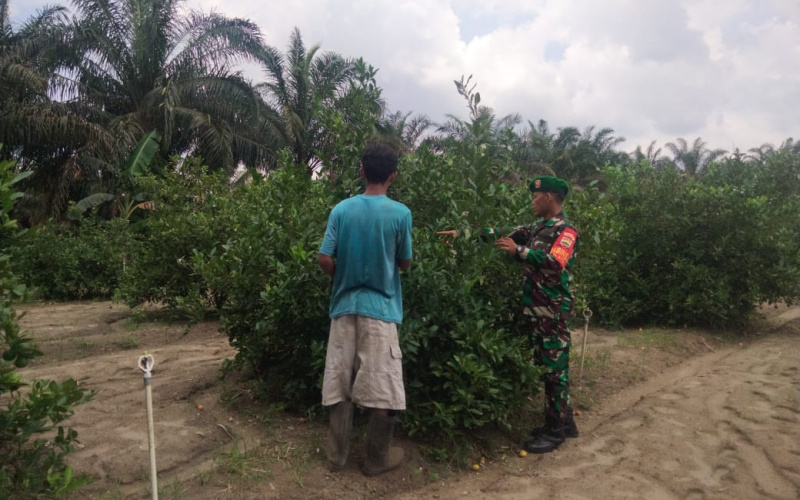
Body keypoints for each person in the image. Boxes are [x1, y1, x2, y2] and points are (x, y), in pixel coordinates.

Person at [437, 175, 579, 454]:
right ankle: (565, 421)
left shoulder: (566, 231)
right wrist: (462, 234)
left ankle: (556, 431)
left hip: (553, 311)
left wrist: (520, 252)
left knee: (554, 370)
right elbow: (501, 232)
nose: (532, 201)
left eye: (536, 197)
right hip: (537, 310)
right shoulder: (537, 227)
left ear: (549, 197)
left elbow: (556, 262)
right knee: (547, 365)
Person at [317, 142, 413, 475]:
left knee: (339, 381)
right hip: (381, 310)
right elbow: (405, 261)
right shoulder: (400, 214)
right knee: (384, 386)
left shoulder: (341, 209)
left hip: (343, 307)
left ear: (361, 171)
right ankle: (376, 459)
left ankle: (336, 456)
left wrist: (339, 276)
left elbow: (324, 257)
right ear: (393, 176)